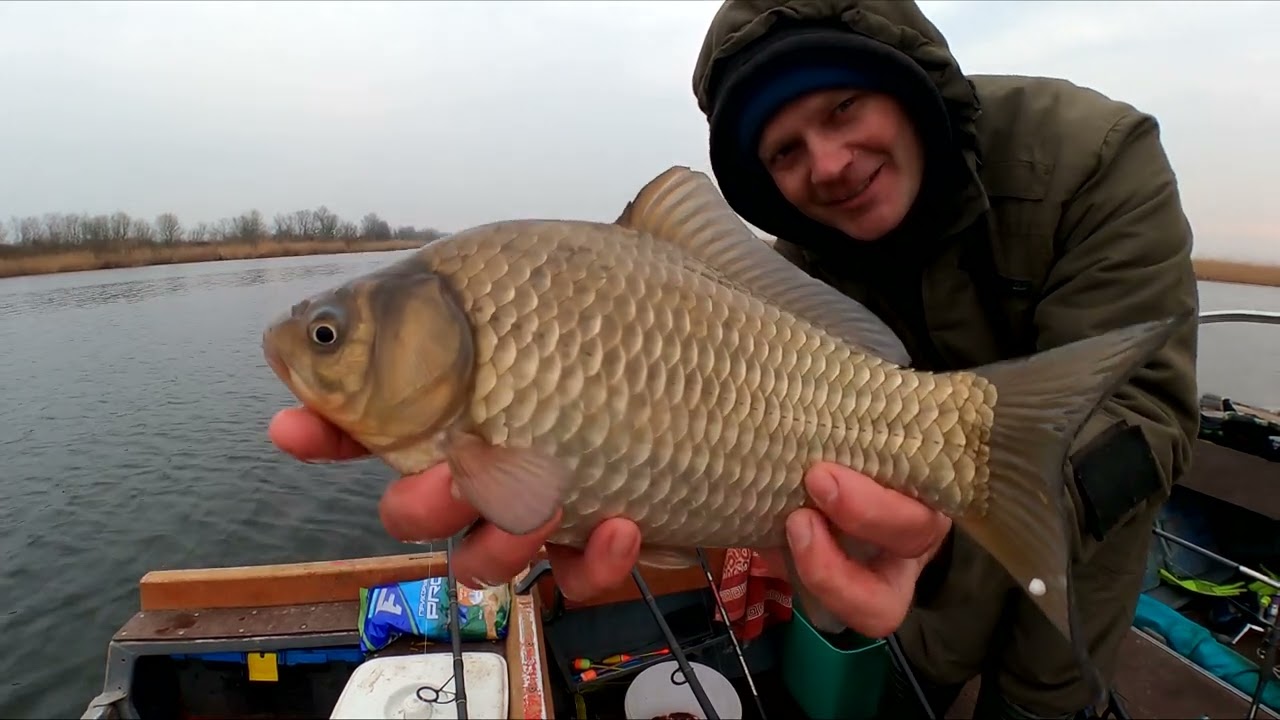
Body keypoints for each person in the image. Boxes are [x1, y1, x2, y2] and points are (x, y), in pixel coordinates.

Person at [269, 1, 1201, 717]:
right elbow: (719, 471)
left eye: (845, 107)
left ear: (907, 84)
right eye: (785, 150)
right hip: (892, 584)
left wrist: (973, 504)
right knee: (899, 685)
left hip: (1082, 548)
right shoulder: (796, 264)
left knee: (1047, 699)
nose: (826, 164)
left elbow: (1151, 414)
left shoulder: (1094, 154)